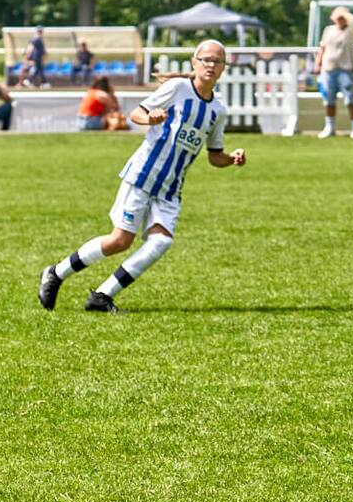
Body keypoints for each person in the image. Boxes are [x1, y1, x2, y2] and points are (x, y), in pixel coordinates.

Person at [38, 40, 247, 314]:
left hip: (170, 187)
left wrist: (231, 158)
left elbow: (214, 155)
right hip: (143, 175)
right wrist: (150, 119)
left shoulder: (217, 110)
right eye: (205, 59)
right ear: (194, 63)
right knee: (119, 242)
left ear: (223, 69)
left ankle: (102, 296)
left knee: (161, 242)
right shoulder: (178, 88)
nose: (210, 65)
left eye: (217, 61)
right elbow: (136, 113)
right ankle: (56, 272)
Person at [314, 5, 353, 139]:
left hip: (346, 69)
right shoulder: (329, 30)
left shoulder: (351, 30)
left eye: (342, 17)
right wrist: (318, 63)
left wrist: (346, 14)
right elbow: (322, 48)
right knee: (328, 100)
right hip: (329, 69)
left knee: (350, 99)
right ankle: (330, 127)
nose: (339, 20)